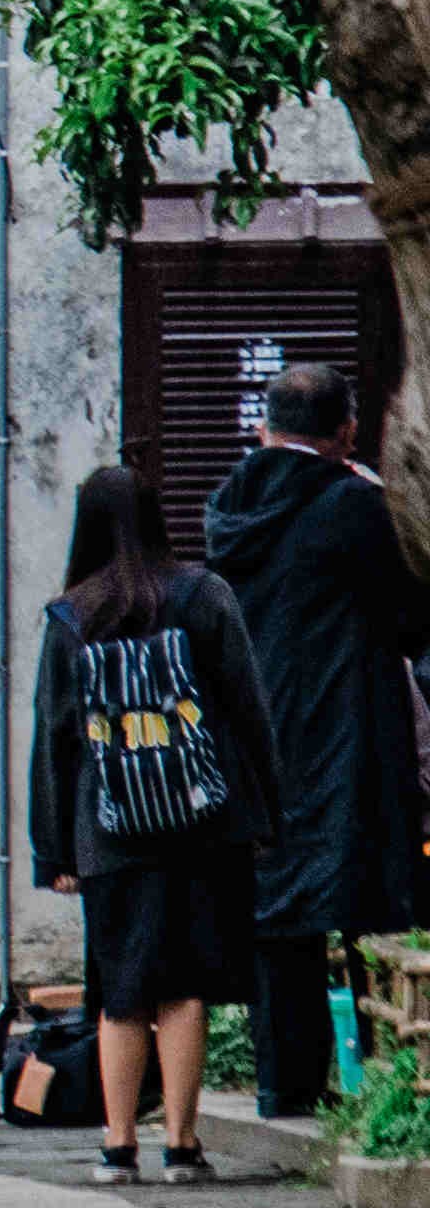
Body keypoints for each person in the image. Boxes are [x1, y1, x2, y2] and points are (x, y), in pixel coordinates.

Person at [36, 463, 280, 1183]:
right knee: (184, 986)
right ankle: (181, 1144)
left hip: (107, 830)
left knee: (121, 989)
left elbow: (55, 738)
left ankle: (118, 1146)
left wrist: (54, 845)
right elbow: (248, 709)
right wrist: (264, 811)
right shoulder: (202, 596)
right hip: (203, 823)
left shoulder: (70, 617)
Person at [197, 363, 426, 1118]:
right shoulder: (357, 507)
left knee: (276, 913)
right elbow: (406, 618)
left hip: (258, 737)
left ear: (264, 427)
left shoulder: (227, 508)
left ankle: (283, 1086)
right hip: (347, 731)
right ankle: (380, 1080)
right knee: (369, 899)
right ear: (347, 430)